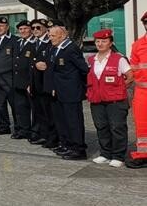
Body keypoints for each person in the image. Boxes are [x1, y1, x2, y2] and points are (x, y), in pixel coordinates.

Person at [85, 29, 128, 168]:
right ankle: (105, 153)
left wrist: (119, 87)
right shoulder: (92, 60)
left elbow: (130, 75)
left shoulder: (119, 59)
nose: (100, 44)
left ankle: (118, 156)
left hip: (115, 100)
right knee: (101, 127)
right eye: (98, 41)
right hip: (97, 100)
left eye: (104, 41)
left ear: (110, 43)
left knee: (117, 127)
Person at [47, 25, 89, 160]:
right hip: (59, 91)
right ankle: (66, 144)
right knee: (62, 120)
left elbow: (83, 69)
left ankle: (78, 149)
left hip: (71, 92)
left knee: (73, 121)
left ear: (62, 36)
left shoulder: (71, 49)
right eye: (49, 35)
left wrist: (77, 86)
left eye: (53, 36)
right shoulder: (56, 48)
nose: (50, 38)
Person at [30, 19, 58, 148]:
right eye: (33, 28)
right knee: (39, 112)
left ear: (46, 29)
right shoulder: (34, 43)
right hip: (36, 84)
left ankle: (52, 138)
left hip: (45, 84)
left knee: (49, 113)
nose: (35, 30)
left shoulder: (49, 44)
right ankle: (43, 134)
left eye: (38, 27)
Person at [11, 20, 37, 141]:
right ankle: (23, 130)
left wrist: (30, 82)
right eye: (20, 29)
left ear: (31, 30)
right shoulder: (17, 43)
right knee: (20, 107)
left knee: (34, 109)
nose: (23, 31)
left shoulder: (35, 43)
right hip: (18, 81)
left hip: (29, 82)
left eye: (25, 29)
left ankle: (35, 131)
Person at [127, 12, 147, 169]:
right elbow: (134, 68)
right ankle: (143, 155)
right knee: (142, 125)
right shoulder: (138, 45)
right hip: (142, 92)